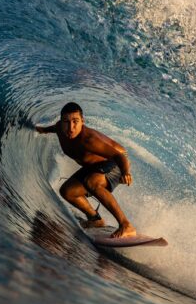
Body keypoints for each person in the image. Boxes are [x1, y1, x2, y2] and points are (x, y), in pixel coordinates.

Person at [35, 102, 137, 238]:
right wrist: (39, 129)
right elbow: (52, 128)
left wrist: (125, 172)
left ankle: (126, 225)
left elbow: (118, 156)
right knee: (68, 191)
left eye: (75, 122)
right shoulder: (60, 128)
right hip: (95, 166)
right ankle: (95, 220)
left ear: (82, 121)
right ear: (61, 121)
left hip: (117, 161)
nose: (70, 127)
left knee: (92, 182)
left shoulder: (88, 140)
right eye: (66, 122)